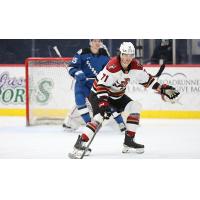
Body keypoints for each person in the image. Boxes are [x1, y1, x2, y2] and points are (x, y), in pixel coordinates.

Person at [69, 42, 180, 159]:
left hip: (117, 95)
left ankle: (129, 141)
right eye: (125, 54)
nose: (127, 58)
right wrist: (103, 104)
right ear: (120, 54)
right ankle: (80, 143)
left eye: (130, 55)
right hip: (98, 94)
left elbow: (148, 81)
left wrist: (162, 89)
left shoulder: (135, 66)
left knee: (135, 107)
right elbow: (101, 86)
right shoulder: (112, 66)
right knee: (99, 118)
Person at [63, 39, 126, 134]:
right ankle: (89, 124)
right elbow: (72, 67)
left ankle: (121, 123)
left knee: (108, 102)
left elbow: (110, 69)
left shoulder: (104, 54)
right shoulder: (82, 52)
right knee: (80, 101)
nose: (97, 43)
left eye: (99, 41)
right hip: (83, 83)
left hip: (98, 83)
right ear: (90, 42)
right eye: (95, 41)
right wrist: (77, 72)